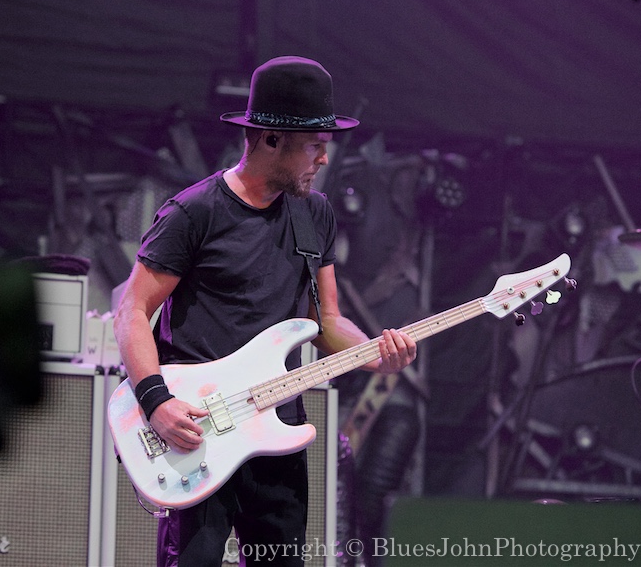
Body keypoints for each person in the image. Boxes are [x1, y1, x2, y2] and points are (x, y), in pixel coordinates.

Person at [112, 55, 417, 567]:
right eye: (315, 147)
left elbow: (326, 323)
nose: (323, 160)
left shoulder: (314, 213)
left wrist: (374, 356)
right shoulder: (195, 212)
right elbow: (131, 312)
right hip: (199, 429)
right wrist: (157, 402)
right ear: (270, 139)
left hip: (276, 431)